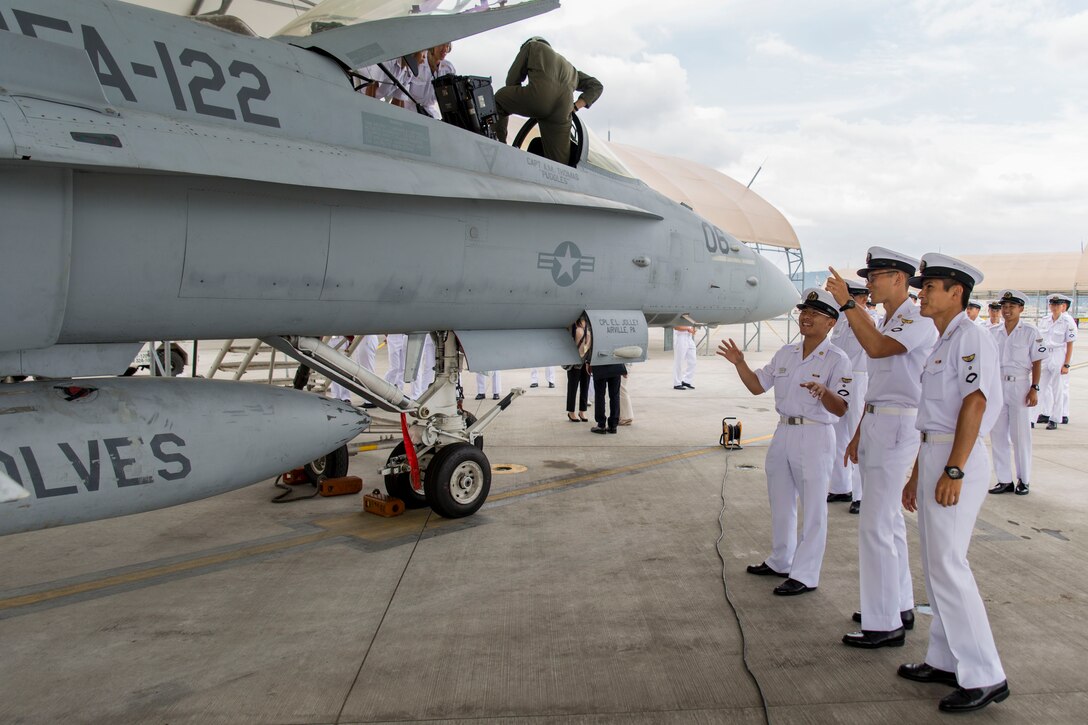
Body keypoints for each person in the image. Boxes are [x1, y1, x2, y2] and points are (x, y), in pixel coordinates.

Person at [900, 253, 1009, 714]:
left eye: (929, 287)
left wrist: (954, 469)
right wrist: (917, 473)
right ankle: (945, 659)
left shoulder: (972, 338)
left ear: (955, 293)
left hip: (955, 457)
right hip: (935, 452)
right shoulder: (945, 340)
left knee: (949, 564)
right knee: (935, 564)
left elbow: (975, 404)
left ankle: (986, 674)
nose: (921, 294)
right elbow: (934, 418)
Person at [827, 247, 936, 649]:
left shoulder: (914, 317)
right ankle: (897, 604)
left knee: (875, 525)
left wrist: (844, 303)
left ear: (899, 280)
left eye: (876, 276)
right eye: (868, 277)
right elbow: (877, 381)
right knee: (887, 523)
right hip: (876, 419)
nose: (869, 282)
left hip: (899, 424)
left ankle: (882, 622)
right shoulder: (885, 317)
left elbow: (877, 350)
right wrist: (857, 432)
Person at [718, 288, 849, 596]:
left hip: (816, 434)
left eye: (815, 313)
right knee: (780, 500)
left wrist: (823, 391)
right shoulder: (785, 353)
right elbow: (756, 386)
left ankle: (805, 574)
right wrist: (739, 363)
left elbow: (841, 408)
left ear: (831, 323)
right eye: (804, 311)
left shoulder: (837, 359)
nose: (806, 317)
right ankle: (780, 559)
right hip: (783, 432)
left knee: (814, 507)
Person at [494, 37, 603, 164]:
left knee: (499, 100)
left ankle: (499, 148)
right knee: (559, 166)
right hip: (562, 114)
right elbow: (596, 86)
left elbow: (512, 81)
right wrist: (575, 107)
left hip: (537, 98)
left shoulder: (532, 46)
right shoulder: (571, 69)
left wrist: (521, 96)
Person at [988, 290, 1046, 496]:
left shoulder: (1030, 332)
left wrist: (1034, 387)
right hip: (998, 386)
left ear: (1021, 309)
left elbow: (1037, 361)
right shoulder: (993, 332)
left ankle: (1024, 479)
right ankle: (1004, 479)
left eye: (1012, 306)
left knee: (1020, 435)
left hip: (1020, 385)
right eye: (1004, 306)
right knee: (998, 434)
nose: (1007, 310)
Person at [826, 278, 874, 514]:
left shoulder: (865, 319)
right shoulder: (840, 322)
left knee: (857, 433)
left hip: (858, 379)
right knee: (838, 433)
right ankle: (841, 486)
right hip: (840, 379)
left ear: (858, 298)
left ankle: (861, 493)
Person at [1037, 294, 1076, 429]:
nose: (1054, 307)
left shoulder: (1067, 321)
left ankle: (1055, 418)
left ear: (1062, 306)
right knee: (1040, 387)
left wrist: (1066, 364)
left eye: (1057, 304)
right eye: (1052, 304)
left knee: (1057, 388)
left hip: (1058, 354)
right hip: (1045, 355)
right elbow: (1039, 339)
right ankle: (1034, 416)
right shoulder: (1045, 320)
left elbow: (1070, 344)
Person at [407, 42, 456, 117]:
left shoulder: (448, 69)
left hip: (428, 112)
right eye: (442, 44)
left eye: (447, 46)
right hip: (408, 109)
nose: (445, 49)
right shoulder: (418, 59)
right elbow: (399, 95)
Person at [589, 362, 625, 434]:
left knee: (600, 395)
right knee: (615, 396)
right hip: (616, 364)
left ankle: (601, 424)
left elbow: (591, 351)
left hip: (599, 364)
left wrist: (588, 362)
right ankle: (613, 425)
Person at [566, 318, 591, 422]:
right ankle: (571, 412)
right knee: (573, 387)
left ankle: (582, 411)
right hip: (575, 361)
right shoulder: (572, 323)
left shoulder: (589, 323)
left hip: (586, 361)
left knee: (585, 387)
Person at [672, 324, 697, 390]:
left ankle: (686, 380)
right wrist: (688, 329)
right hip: (680, 337)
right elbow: (676, 326)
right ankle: (677, 383)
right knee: (679, 362)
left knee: (693, 361)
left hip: (689, 338)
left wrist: (693, 330)